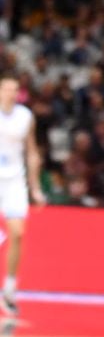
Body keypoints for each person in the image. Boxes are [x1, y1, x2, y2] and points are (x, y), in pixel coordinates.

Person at [0, 76, 45, 319]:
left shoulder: (25, 117)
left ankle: (9, 290)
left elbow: (32, 152)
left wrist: (36, 188)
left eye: (14, 89)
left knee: (18, 233)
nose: (10, 93)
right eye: (6, 88)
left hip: (15, 179)